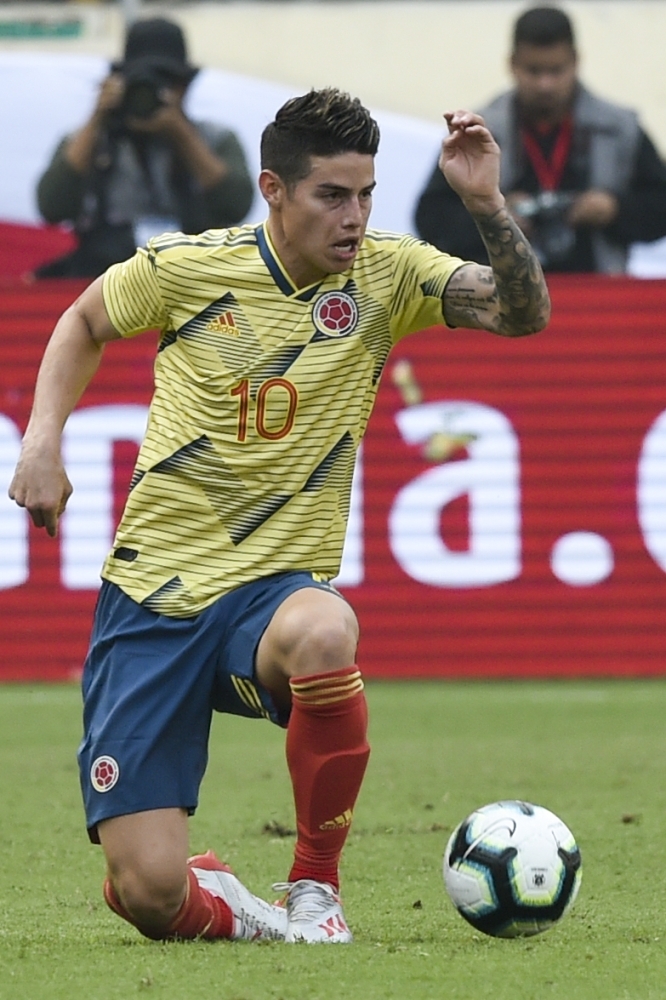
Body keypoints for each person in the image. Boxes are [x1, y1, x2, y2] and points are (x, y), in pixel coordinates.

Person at [9, 87, 550, 945]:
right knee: (149, 895)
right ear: (273, 189)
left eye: (365, 194)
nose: (355, 217)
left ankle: (314, 890)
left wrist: (485, 204)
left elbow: (523, 315)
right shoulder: (187, 267)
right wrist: (42, 440)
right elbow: (83, 319)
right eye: (332, 195)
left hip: (269, 600)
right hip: (152, 601)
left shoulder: (388, 274)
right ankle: (236, 909)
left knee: (326, 632)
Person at [415, 5, 666, 274]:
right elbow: (431, 218)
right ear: (512, 64)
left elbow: (660, 206)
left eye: (556, 71)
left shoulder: (621, 129)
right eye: (533, 71)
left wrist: (614, 210)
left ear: (575, 61)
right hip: (502, 294)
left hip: (596, 292)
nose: (545, 84)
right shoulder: (476, 133)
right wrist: (492, 218)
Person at [35, 17, 254, 278]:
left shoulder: (214, 139)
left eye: (166, 81)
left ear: (184, 85)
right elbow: (52, 207)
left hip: (193, 278)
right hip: (106, 279)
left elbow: (236, 205)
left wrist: (181, 134)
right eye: (141, 81)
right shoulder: (91, 142)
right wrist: (97, 118)